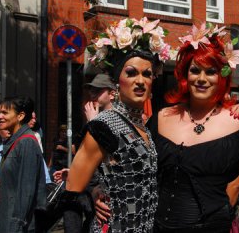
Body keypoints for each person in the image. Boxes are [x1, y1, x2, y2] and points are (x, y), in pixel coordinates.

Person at [38, 17, 171, 232]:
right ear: (117, 81)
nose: (140, 80)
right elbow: (73, 187)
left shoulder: (144, 127)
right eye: (131, 73)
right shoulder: (104, 124)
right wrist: (95, 192)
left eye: (147, 74)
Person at [148, 23, 239, 232]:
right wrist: (97, 192)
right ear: (186, 75)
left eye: (210, 72)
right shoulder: (161, 117)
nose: (201, 79)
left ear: (221, 77)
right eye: (195, 70)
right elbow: (136, 170)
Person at [0, 96, 46, 232]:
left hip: (18, 226)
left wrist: (16, 225)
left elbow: (26, 190)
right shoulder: (15, 142)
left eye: (5, 113)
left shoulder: (26, 142)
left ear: (20, 116)